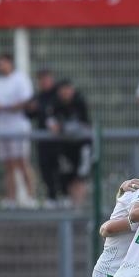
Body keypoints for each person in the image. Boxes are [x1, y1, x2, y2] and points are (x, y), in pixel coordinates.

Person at [0, 53, 35, 208]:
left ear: (10, 63)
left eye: (2, 63)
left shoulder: (20, 79)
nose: (0, 67)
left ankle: (29, 197)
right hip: (3, 127)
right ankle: (11, 198)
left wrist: (3, 107)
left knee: (21, 162)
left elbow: (26, 102)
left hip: (19, 127)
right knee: (8, 164)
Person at [50, 80, 91, 208]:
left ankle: (79, 207)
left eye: (67, 89)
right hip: (67, 147)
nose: (65, 93)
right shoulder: (56, 104)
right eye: (62, 90)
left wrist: (64, 128)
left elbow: (84, 125)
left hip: (82, 146)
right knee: (68, 176)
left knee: (81, 176)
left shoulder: (79, 102)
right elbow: (51, 123)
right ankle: (73, 207)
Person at [26, 69, 62, 206]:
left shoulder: (59, 95)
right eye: (41, 80)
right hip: (43, 141)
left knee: (59, 168)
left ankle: (64, 196)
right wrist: (30, 108)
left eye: (46, 79)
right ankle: (51, 197)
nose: (44, 82)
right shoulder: (39, 97)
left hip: (59, 142)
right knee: (45, 168)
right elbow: (30, 114)